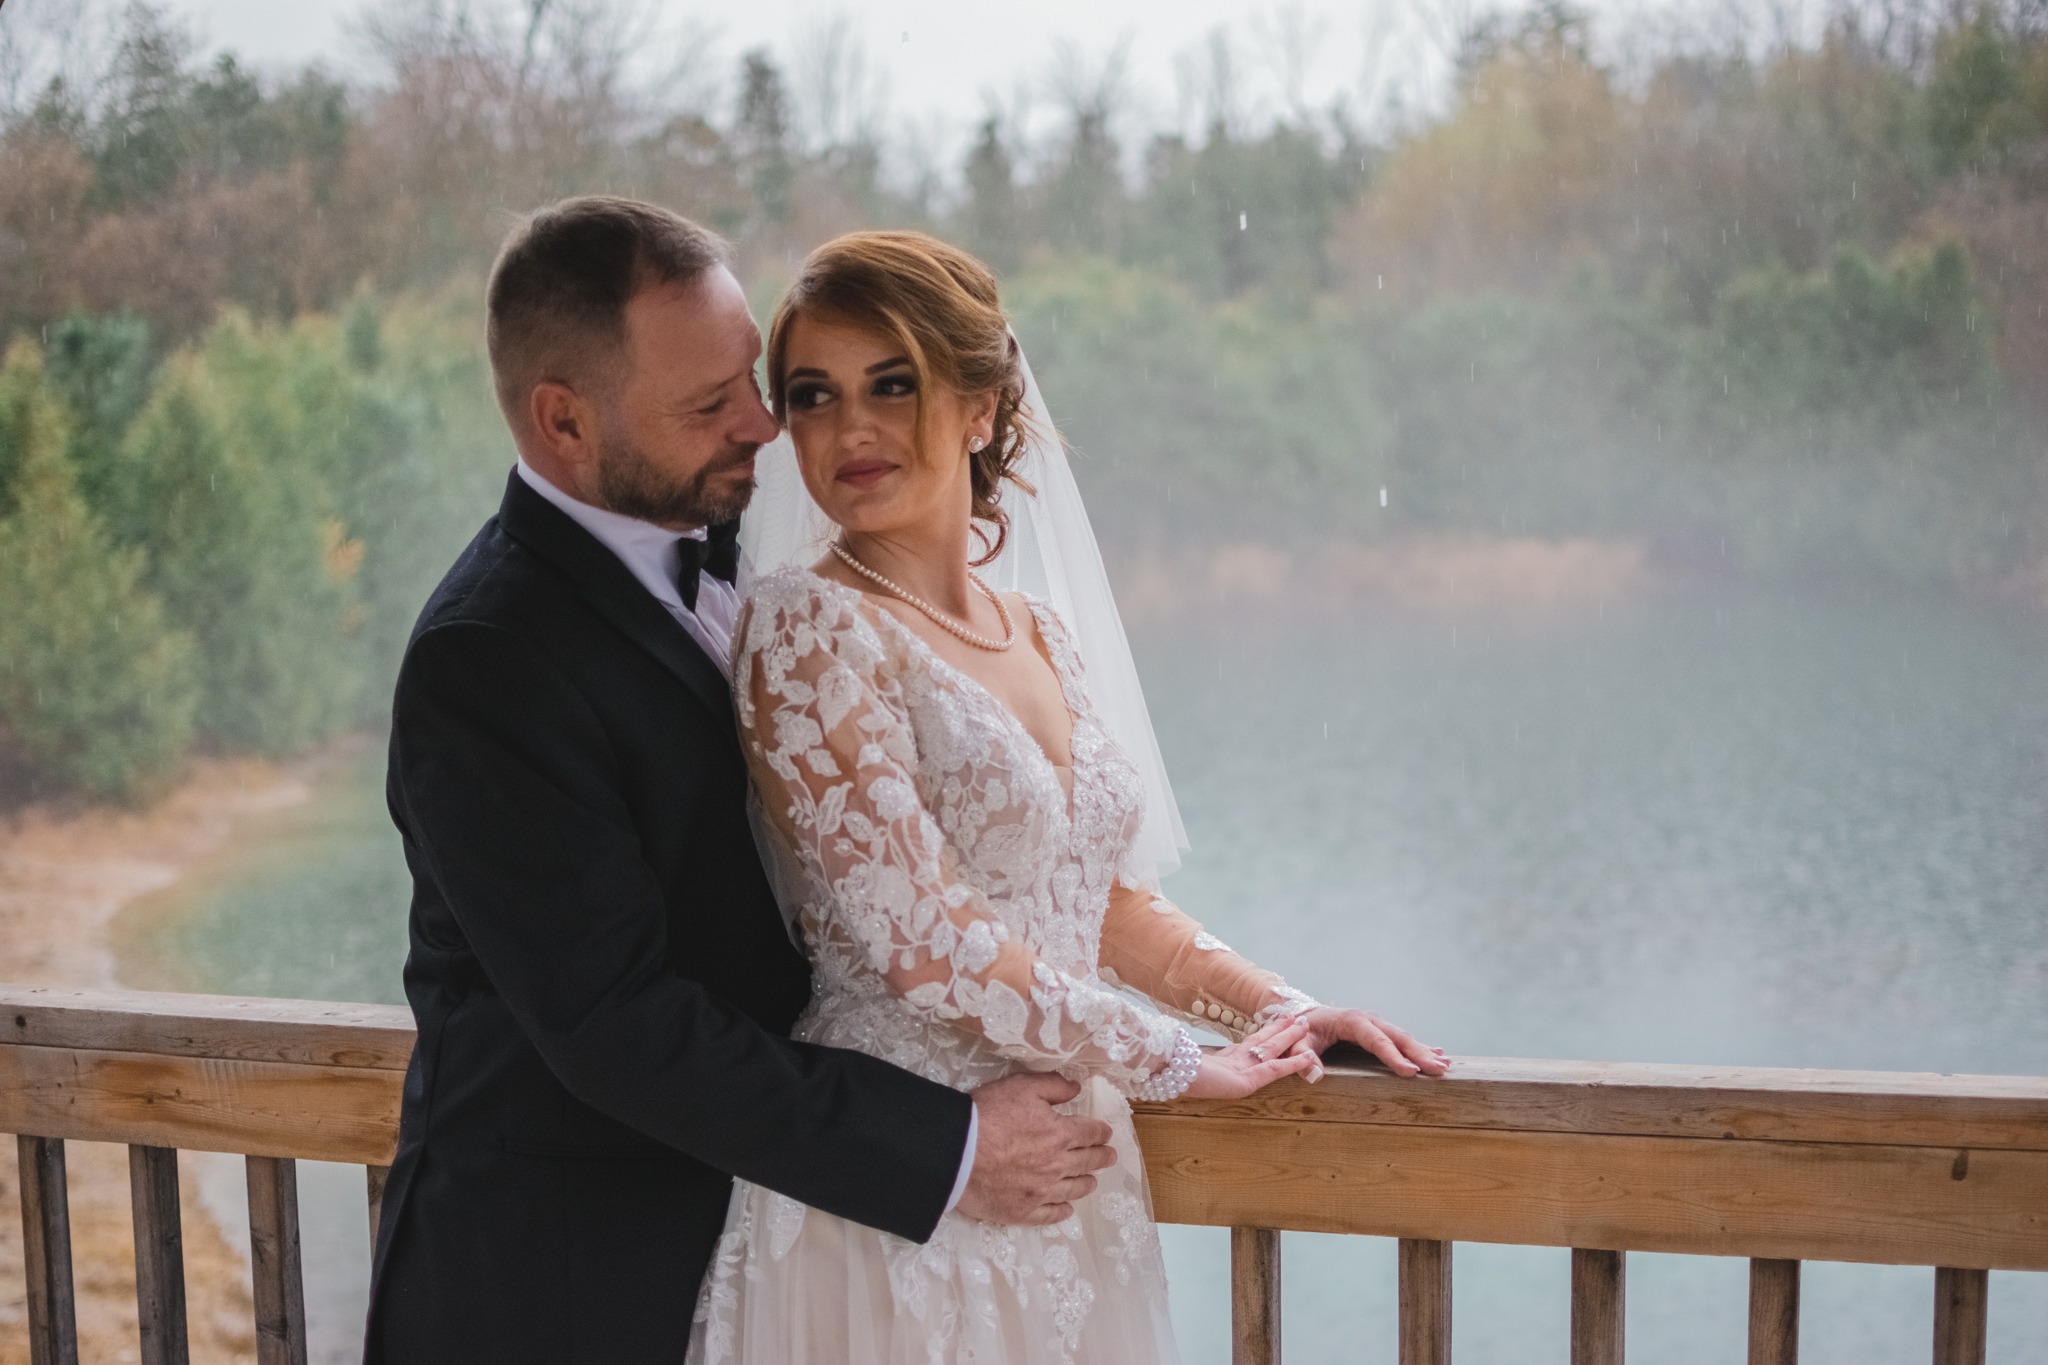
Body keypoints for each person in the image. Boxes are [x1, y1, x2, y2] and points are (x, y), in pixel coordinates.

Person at [364, 198, 1132, 1364]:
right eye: (709, 403)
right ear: (564, 421)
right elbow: (618, 1025)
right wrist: (946, 1147)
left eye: (754, 384)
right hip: (564, 1290)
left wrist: (1261, 1008)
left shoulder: (748, 565)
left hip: (779, 1241)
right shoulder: (490, 657)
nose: (765, 427)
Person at [687, 229, 1446, 1365]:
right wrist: (1175, 1061)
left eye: (892, 384)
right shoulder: (806, 625)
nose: (850, 429)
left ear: (980, 405)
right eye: (812, 395)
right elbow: (930, 945)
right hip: (901, 1182)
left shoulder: (1036, 629)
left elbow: (1105, 907)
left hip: (1069, 1182)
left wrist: (1281, 1014)